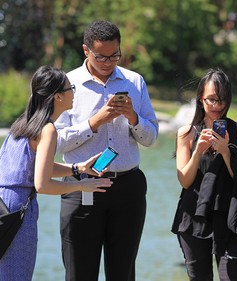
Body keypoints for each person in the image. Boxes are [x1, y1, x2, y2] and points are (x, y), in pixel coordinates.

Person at [55, 20, 158, 281]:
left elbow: (152, 138)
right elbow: (54, 143)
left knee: (123, 273)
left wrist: (134, 118)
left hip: (128, 189)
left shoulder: (134, 81)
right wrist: (94, 122)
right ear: (86, 50)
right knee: (80, 273)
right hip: (81, 186)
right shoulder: (67, 84)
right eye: (101, 56)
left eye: (115, 55)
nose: (108, 62)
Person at [0, 65, 113, 281]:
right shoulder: (47, 129)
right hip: (17, 210)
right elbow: (42, 184)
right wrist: (81, 185)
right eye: (70, 88)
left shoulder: (23, 123)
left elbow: (35, 168)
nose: (73, 92)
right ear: (58, 96)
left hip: (3, 205)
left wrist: (77, 168)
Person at [172, 68, 237, 281]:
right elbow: (184, 180)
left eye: (222, 100)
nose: (216, 106)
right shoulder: (187, 133)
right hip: (194, 215)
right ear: (200, 99)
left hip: (231, 217)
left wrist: (226, 150)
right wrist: (198, 151)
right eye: (211, 99)